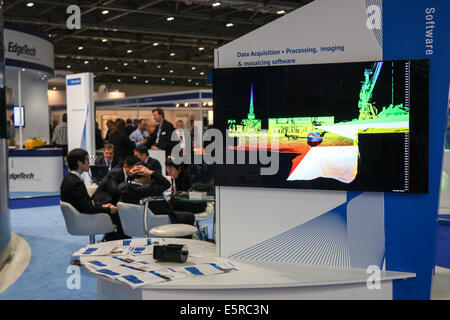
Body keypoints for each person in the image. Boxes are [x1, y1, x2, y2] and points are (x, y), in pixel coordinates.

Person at [60, 148, 129, 241]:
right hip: (84, 218)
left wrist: (102, 206)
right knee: (118, 213)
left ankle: (111, 239)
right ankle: (120, 241)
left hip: (80, 214)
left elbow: (84, 204)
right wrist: (107, 209)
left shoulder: (70, 178)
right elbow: (87, 208)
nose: (89, 162)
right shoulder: (75, 182)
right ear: (79, 163)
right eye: (87, 160)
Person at [118, 164, 195, 225]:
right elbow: (166, 184)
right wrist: (151, 172)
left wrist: (130, 175)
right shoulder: (149, 189)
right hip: (160, 220)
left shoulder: (125, 189)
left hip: (137, 223)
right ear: (145, 175)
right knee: (190, 216)